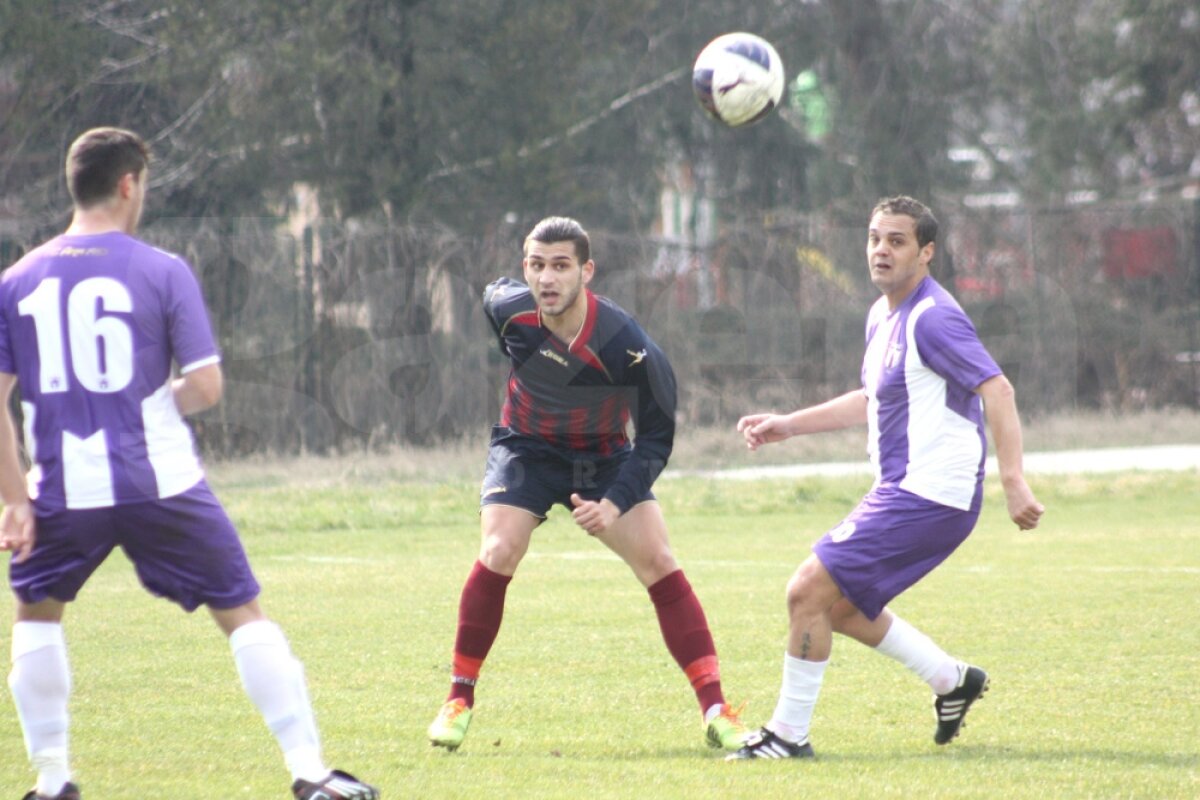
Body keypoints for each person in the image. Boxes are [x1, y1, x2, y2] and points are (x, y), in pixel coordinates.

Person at [0, 128, 378, 800]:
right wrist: (150, 404)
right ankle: (310, 772)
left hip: (61, 487)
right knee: (243, 615)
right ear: (128, 184)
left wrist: (15, 501)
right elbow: (205, 387)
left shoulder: (16, 280)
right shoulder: (162, 269)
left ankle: (52, 779)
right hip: (163, 484)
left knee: (35, 620)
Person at [729, 196, 1044, 760]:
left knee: (806, 591)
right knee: (843, 609)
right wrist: (788, 426)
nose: (881, 249)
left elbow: (997, 389)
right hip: (904, 491)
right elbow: (873, 399)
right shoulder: (883, 314)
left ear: (925, 253)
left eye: (897, 240)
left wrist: (1013, 479)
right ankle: (952, 680)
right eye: (875, 237)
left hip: (931, 495)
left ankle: (786, 737)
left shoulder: (933, 316)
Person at [426, 216, 747, 752]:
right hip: (526, 449)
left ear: (586, 271)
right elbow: (493, 298)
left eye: (560, 266)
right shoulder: (508, 309)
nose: (546, 278)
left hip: (601, 459)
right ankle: (458, 699)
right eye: (536, 265)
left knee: (661, 563)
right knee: (499, 548)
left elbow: (656, 440)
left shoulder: (629, 346)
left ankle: (716, 709)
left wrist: (616, 503)